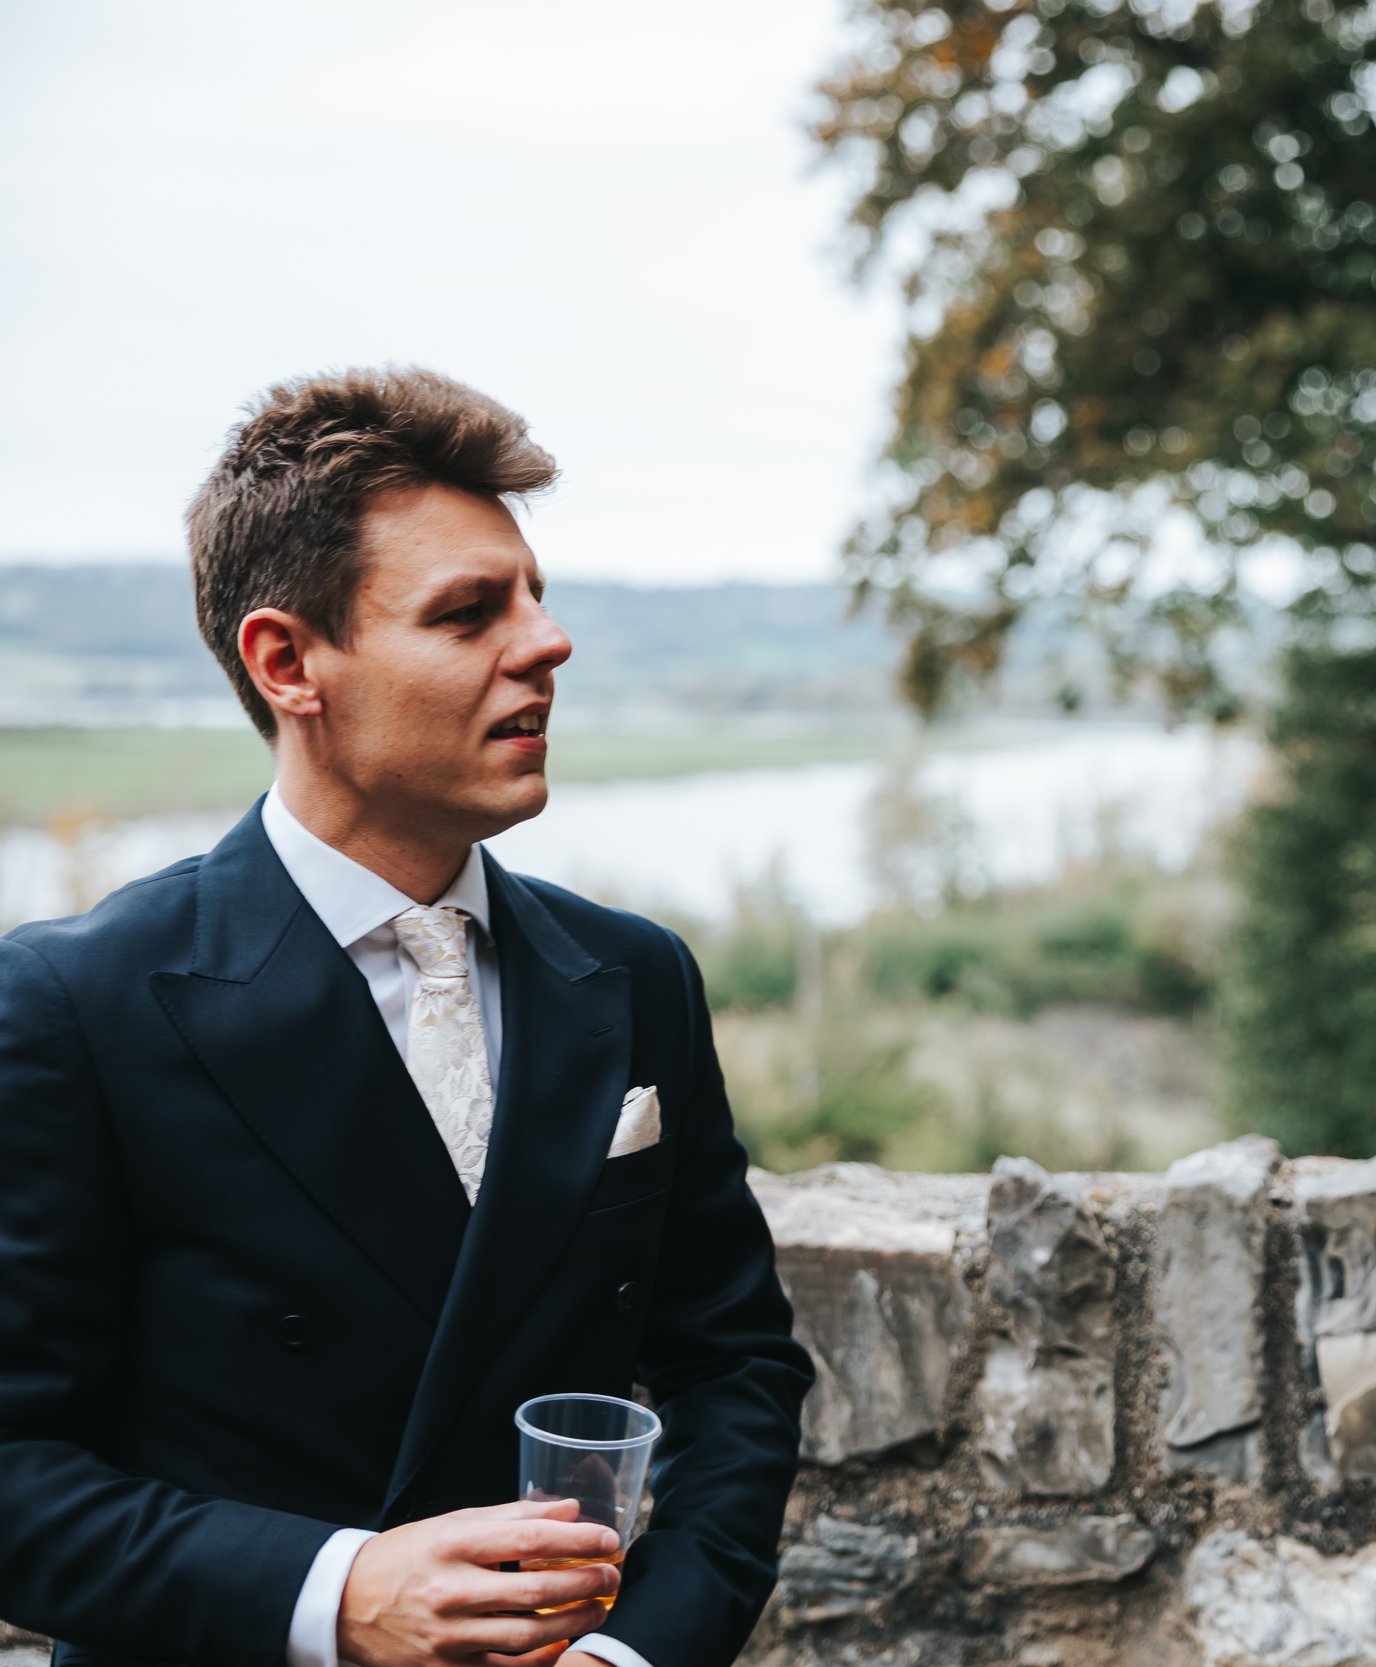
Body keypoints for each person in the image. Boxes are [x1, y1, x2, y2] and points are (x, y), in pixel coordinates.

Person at [0, 369, 813, 1667]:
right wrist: (337, 1593)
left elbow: (736, 1370)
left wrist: (636, 1650)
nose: (544, 643)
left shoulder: (633, 973)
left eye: (535, 597)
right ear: (288, 662)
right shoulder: (74, 1004)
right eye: (467, 613)